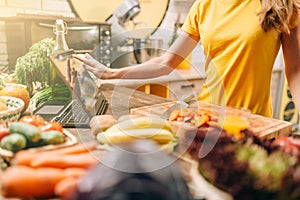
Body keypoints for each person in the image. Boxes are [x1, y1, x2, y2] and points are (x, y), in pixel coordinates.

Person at [72, 0, 300, 118]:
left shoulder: (281, 5)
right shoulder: (204, 5)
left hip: (255, 120)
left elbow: (295, 71)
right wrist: (111, 74)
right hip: (208, 119)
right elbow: (167, 62)